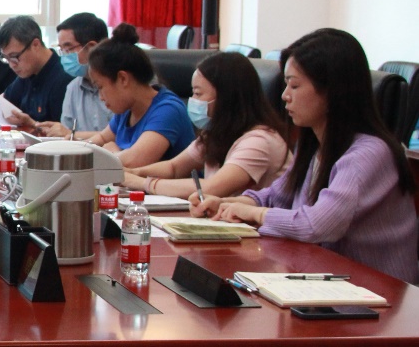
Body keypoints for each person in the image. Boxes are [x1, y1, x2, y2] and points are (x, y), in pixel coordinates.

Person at [193, 29, 418, 283]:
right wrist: (233, 204)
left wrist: (256, 214)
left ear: (332, 91)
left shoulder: (369, 154)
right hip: (325, 281)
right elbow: (277, 195)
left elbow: (317, 225)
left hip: (375, 293)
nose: (284, 95)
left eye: (295, 85)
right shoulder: (316, 145)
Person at [123, 52, 290, 199]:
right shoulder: (217, 133)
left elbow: (211, 189)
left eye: (198, 93)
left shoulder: (259, 141)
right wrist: (133, 173)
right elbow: (173, 168)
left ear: (226, 97)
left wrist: (142, 183)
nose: (192, 100)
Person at [84, 24, 195, 168]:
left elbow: (134, 161)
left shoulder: (168, 110)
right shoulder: (126, 110)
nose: (101, 97)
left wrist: (112, 152)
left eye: (100, 87)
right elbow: (101, 139)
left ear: (123, 79)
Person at [37, 12, 112, 139]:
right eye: (61, 50)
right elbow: (65, 133)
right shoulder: (73, 87)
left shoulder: (118, 86)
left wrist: (72, 134)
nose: (64, 56)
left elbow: (122, 136)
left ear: (92, 47)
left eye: (68, 48)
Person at [0, 15, 74, 124]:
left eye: (14, 56)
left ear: (35, 45)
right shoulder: (27, 73)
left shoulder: (64, 78)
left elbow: (62, 131)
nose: (12, 65)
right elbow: (3, 101)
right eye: (6, 59)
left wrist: (32, 124)